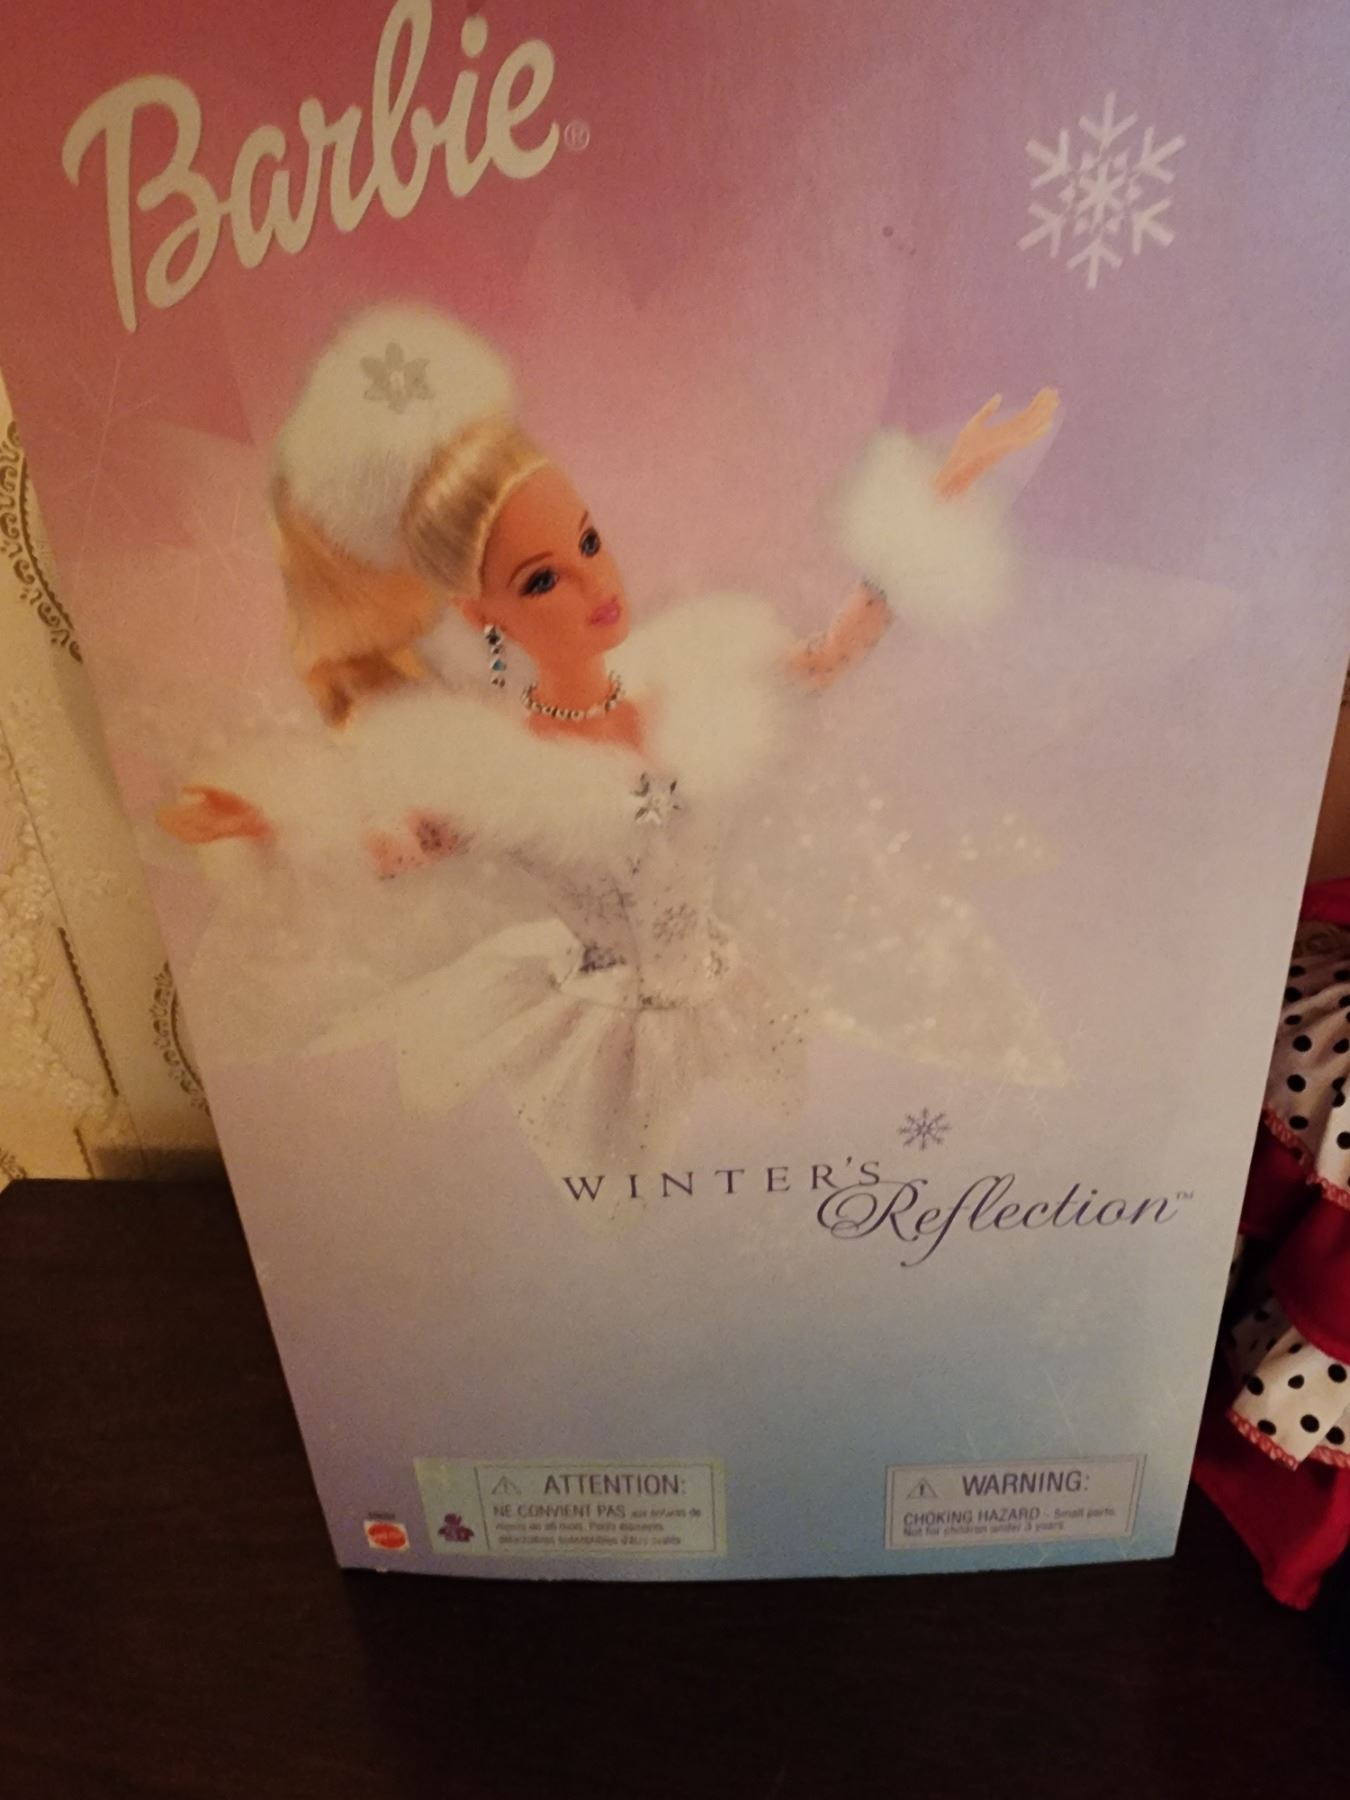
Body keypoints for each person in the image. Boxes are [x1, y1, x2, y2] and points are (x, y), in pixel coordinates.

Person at [160, 303, 1064, 1186]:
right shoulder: (504, 771)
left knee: (751, 1170)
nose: (595, 583)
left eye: (588, 540)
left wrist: (935, 502)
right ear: (481, 614)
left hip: (724, 999)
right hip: (597, 1039)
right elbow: (400, 846)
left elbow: (825, 658)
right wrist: (272, 824)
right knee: (629, 1198)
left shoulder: (695, 673)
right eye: (542, 579)